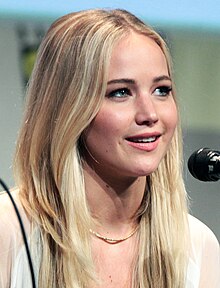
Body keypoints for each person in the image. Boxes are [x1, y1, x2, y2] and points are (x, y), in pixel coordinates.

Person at [0, 8, 219, 288]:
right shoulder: (10, 231)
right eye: (120, 92)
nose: (149, 113)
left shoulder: (197, 245)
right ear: (68, 108)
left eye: (161, 90)